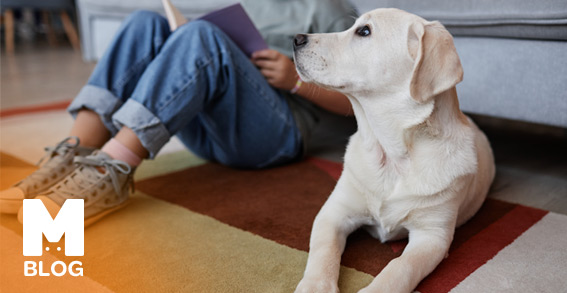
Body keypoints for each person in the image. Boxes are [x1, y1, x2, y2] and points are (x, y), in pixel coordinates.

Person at [0, 0, 357, 224]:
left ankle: (113, 169)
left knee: (202, 36)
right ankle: (74, 152)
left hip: (280, 135)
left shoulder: (330, 10)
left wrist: (297, 80)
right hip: (211, 131)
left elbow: (359, 102)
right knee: (145, 21)